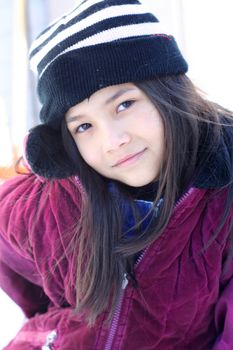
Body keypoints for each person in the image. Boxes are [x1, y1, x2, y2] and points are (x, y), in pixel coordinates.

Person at [0, 0, 233, 349]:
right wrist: (51, 321)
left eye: (124, 104)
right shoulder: (52, 200)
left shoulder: (223, 202)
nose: (113, 142)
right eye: (83, 126)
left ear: (169, 93)